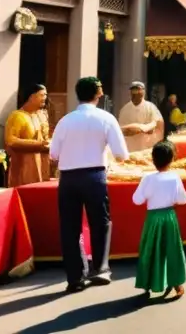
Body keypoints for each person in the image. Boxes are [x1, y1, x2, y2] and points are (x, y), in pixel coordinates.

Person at [50, 77, 128, 293]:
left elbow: (53, 154)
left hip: (68, 178)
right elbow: (122, 154)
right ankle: (100, 268)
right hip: (95, 175)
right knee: (100, 222)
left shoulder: (65, 120)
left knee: (70, 227)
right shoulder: (106, 118)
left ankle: (75, 277)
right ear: (98, 94)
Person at [133, 141, 186, 300]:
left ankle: (147, 283)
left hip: (153, 218)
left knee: (150, 249)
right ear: (171, 160)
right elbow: (183, 199)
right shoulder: (174, 177)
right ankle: (177, 283)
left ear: (152, 159)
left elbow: (136, 200)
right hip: (169, 217)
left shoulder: (147, 178)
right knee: (172, 249)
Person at [5, 84, 50, 188]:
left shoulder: (41, 115)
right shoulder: (17, 116)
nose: (45, 98)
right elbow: (11, 140)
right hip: (24, 167)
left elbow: (45, 138)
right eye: (42, 95)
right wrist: (39, 144)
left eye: (45, 95)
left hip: (42, 165)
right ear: (31, 97)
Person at [118, 81, 164, 153]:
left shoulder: (151, 107)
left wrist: (143, 129)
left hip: (146, 147)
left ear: (143, 92)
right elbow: (121, 129)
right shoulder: (125, 109)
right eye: (133, 90)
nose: (135, 93)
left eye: (138, 90)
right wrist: (130, 131)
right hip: (130, 148)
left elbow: (156, 124)